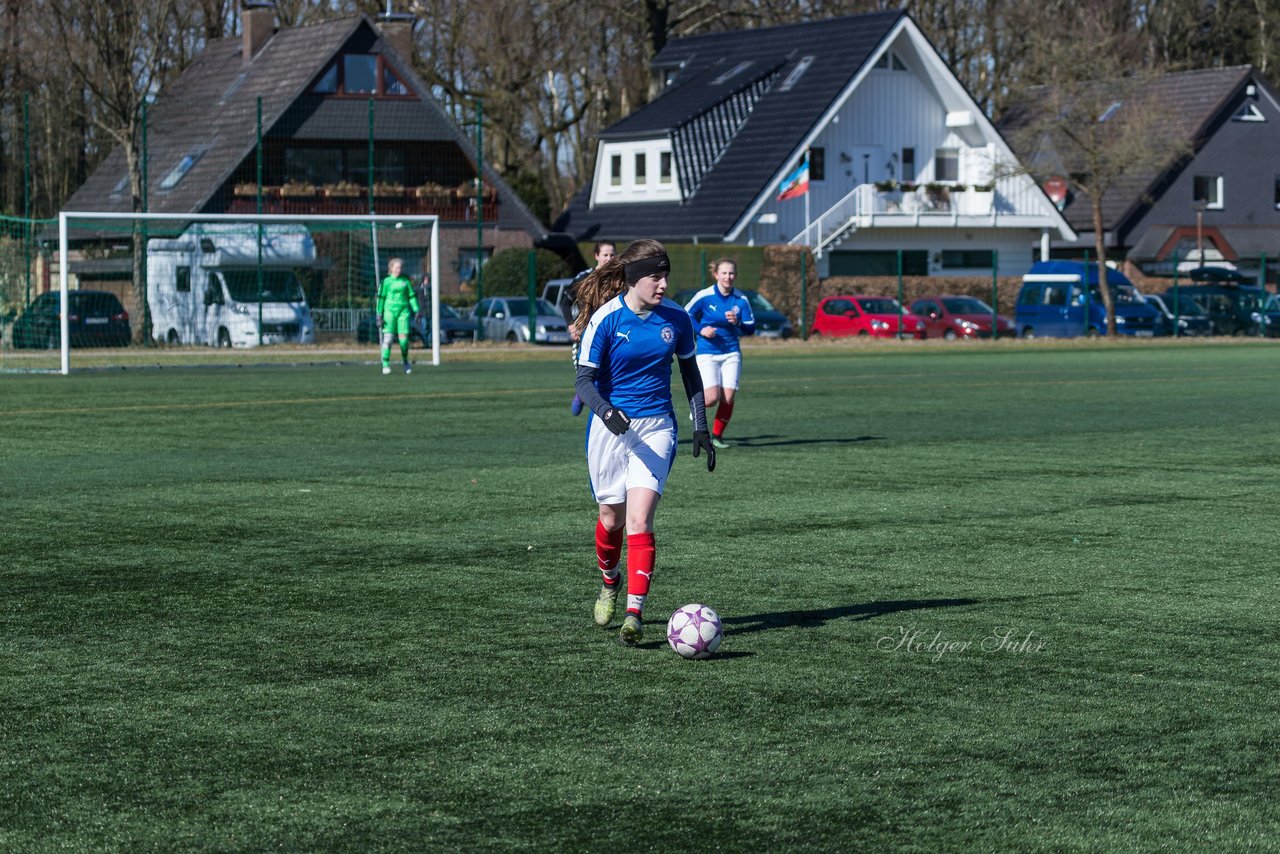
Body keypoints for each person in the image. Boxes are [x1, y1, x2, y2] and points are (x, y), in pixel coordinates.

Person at [573, 238, 716, 646]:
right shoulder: (606, 319)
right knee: (610, 520)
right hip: (610, 428)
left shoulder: (678, 318)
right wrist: (605, 410)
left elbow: (690, 374)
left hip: (656, 428)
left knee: (639, 520)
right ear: (634, 279)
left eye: (666, 275)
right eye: (656, 276)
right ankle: (609, 581)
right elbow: (583, 381)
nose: (663, 284)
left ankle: (634, 613)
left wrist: (700, 425)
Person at [684, 257, 755, 448]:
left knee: (728, 397)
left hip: (731, 353)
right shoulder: (704, 296)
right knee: (712, 398)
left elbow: (750, 328)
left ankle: (717, 436)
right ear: (716, 274)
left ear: (736, 275)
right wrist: (700, 330)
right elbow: (686, 314)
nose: (728, 277)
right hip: (707, 352)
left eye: (731, 273)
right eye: (724, 273)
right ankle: (696, 408)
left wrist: (737, 322)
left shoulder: (741, 299)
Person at [568, 240, 616, 415]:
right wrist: (571, 325)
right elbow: (565, 302)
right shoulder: (584, 278)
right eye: (605, 255)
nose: (609, 258)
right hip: (586, 334)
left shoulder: (620, 279)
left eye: (612, 255)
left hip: (611, 335)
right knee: (589, 376)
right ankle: (582, 396)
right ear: (596, 256)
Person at [376, 257, 420, 375]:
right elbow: (381, 298)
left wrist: (416, 310)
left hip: (403, 313)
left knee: (404, 342)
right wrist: (379, 313)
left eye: (400, 267)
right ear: (391, 268)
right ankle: (385, 363)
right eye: (396, 267)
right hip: (389, 312)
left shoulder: (405, 281)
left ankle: (405, 362)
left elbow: (411, 296)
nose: (399, 270)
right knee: (389, 339)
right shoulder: (386, 282)